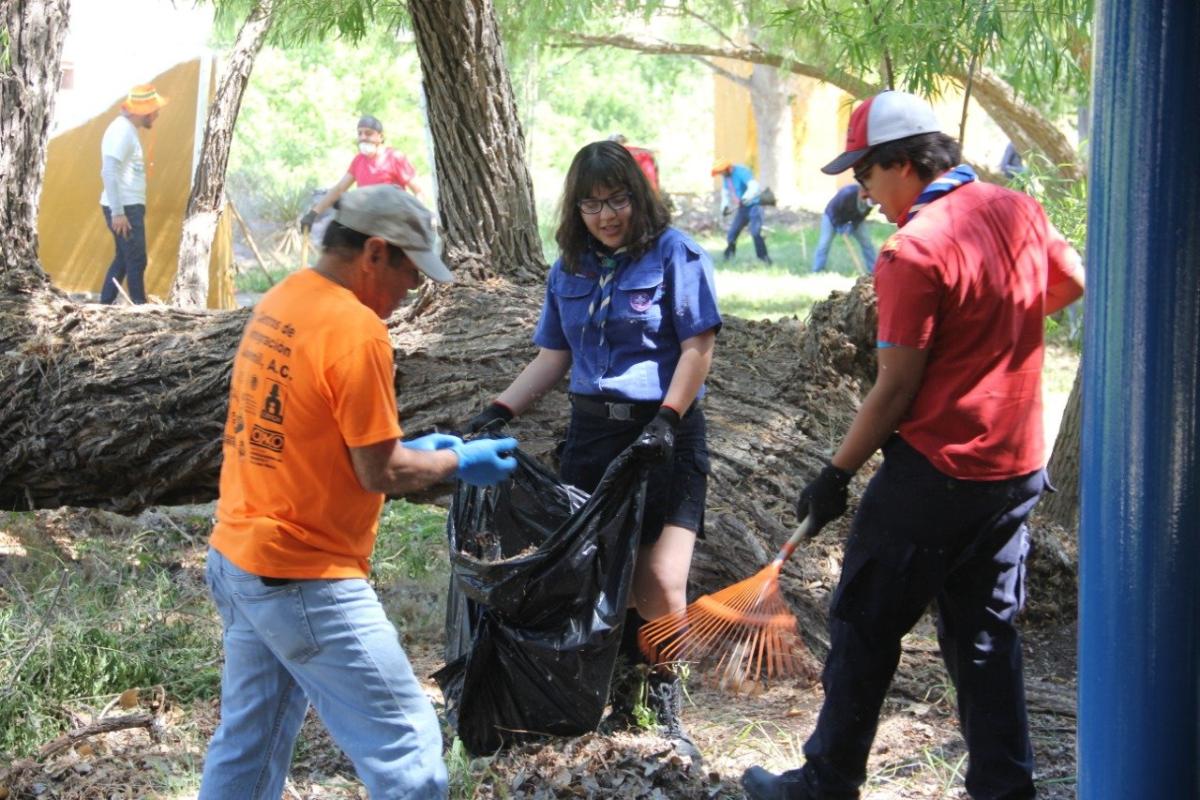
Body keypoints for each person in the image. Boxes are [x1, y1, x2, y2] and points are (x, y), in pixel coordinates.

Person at [742, 90, 1085, 800]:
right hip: (1016, 471)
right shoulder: (1015, 206)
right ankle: (1005, 789)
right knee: (984, 637)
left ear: (903, 163)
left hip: (938, 473)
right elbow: (1072, 280)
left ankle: (826, 782)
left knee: (864, 620)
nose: (859, 189)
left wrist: (835, 473)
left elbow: (895, 389)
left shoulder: (913, 250)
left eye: (864, 172)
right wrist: (996, 325)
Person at [199, 184, 519, 799]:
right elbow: (381, 472)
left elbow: (316, 435)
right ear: (375, 252)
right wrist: (456, 461)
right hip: (305, 575)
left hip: (240, 557)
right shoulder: (357, 330)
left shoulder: (285, 298)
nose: (412, 292)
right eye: (410, 273)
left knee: (249, 744)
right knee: (408, 752)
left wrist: (419, 447)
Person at [464, 140, 722, 763]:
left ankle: (662, 704)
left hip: (664, 435)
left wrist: (665, 420)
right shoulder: (569, 268)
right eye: (592, 203)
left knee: (659, 579)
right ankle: (613, 693)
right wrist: (500, 410)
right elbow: (556, 355)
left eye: (618, 200)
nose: (606, 216)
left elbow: (697, 349)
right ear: (575, 207)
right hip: (591, 437)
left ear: (641, 198)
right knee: (596, 575)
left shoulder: (676, 255)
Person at [97, 84, 167, 304]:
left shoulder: (126, 129)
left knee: (125, 259)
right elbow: (108, 171)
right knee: (136, 259)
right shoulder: (121, 131)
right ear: (143, 111)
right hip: (124, 208)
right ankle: (140, 307)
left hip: (128, 206)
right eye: (154, 110)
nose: (157, 114)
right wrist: (118, 212)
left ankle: (104, 306)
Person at [300, 115, 426, 230]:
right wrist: (313, 214)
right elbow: (339, 189)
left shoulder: (395, 157)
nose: (362, 137)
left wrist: (414, 219)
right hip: (368, 224)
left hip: (394, 225)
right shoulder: (358, 161)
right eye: (359, 133)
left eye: (368, 134)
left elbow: (419, 191)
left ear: (380, 137)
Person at [712, 159, 771, 265]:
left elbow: (754, 186)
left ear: (727, 168)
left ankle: (764, 258)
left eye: (721, 172)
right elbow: (725, 193)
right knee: (732, 233)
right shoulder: (726, 178)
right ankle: (728, 257)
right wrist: (725, 207)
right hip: (742, 208)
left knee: (755, 232)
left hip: (755, 206)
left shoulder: (741, 171)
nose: (721, 174)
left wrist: (746, 198)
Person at [812, 184, 877, 274]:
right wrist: (839, 226)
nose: (868, 204)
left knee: (867, 243)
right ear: (862, 193)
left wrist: (853, 226)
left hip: (853, 219)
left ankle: (873, 271)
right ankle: (817, 270)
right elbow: (833, 211)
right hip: (832, 217)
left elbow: (862, 215)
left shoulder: (871, 201)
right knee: (824, 244)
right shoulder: (847, 194)